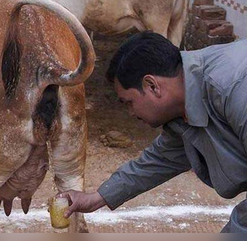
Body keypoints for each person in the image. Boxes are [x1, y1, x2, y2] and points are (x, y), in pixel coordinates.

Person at [61, 32, 247, 233]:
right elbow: (161, 159)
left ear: (152, 86)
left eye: (128, 102)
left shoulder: (233, 88)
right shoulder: (187, 98)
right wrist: (97, 198)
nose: (131, 113)